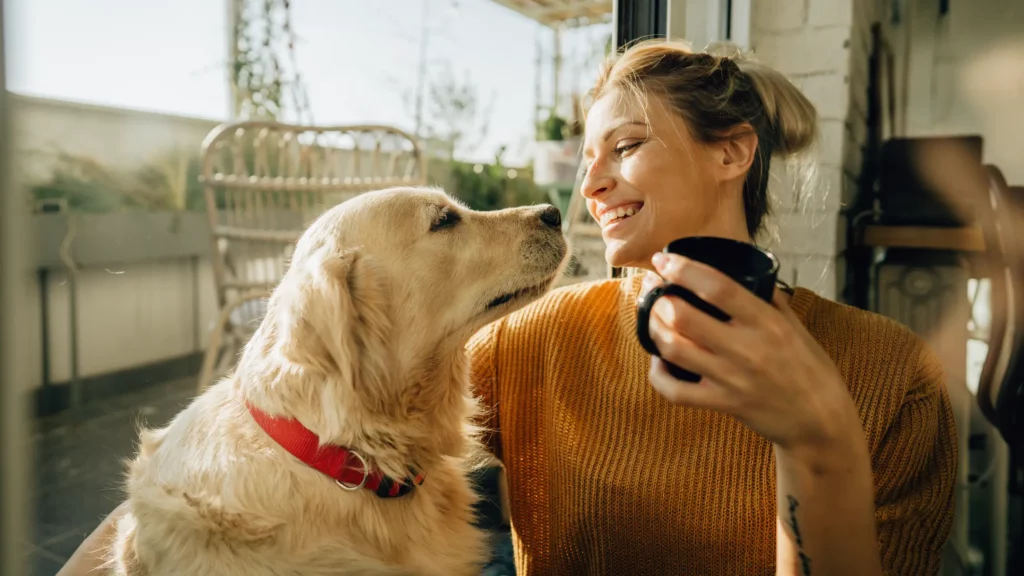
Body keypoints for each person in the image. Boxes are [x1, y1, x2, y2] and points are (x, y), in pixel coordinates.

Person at [60, 39, 956, 576]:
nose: (591, 183)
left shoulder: (890, 376)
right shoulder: (529, 345)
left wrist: (822, 440)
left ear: (734, 154)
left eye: (628, 147)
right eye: (587, 154)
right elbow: (291, 417)